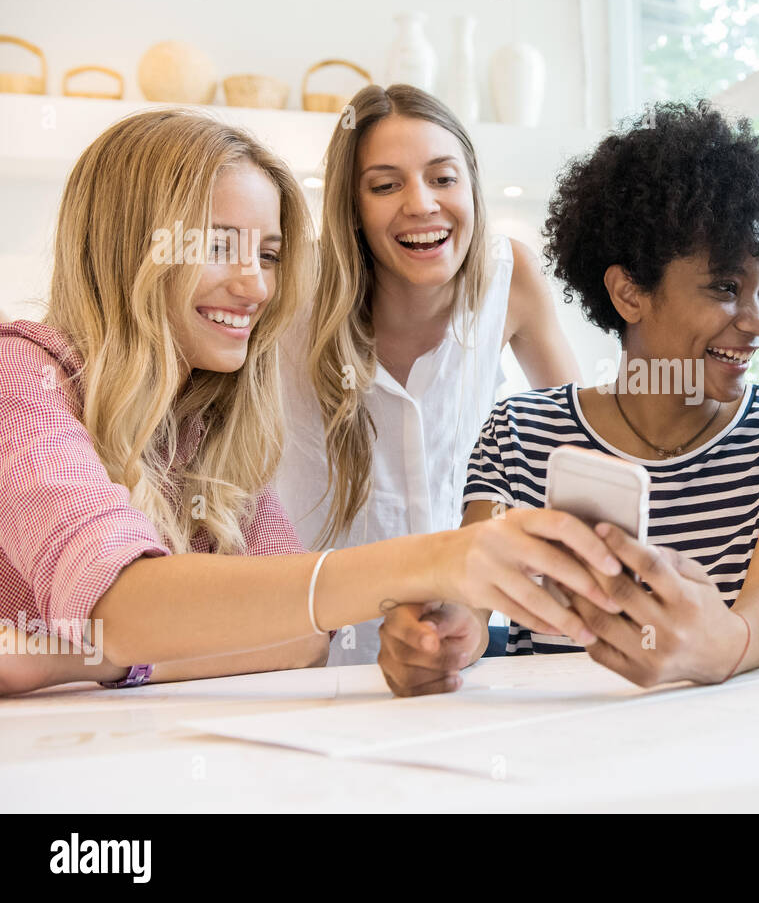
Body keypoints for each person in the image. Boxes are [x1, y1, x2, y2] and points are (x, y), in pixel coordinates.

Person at [0, 110, 616, 696]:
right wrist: (435, 559)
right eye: (217, 247)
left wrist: (74, 658)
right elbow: (125, 601)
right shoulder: (20, 377)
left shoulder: (206, 417)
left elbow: (301, 639)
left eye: (267, 254)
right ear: (128, 247)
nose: (256, 286)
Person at [376, 100, 759, 696]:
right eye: (724, 288)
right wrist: (442, 637)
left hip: (734, 754)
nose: (758, 321)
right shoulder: (520, 432)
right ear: (629, 293)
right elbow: (474, 602)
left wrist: (721, 646)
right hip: (558, 755)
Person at [275, 84, 580, 666]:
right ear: (353, 208)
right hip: (311, 648)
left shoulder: (507, 276)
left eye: (443, 178)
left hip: (457, 641)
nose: (421, 204)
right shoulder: (292, 290)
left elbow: (577, 444)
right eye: (386, 185)